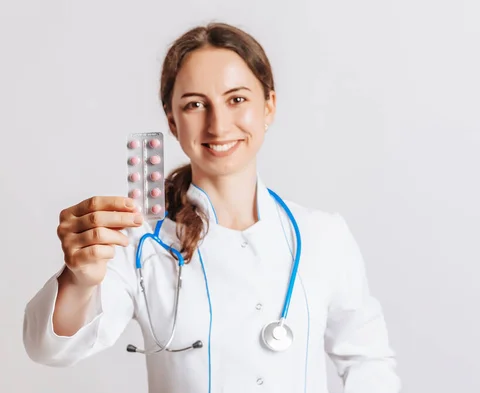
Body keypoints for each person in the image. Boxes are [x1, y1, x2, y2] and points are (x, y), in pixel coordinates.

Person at [22, 22, 401, 393]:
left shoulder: (324, 235)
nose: (218, 125)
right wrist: (79, 279)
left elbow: (368, 362)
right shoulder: (139, 244)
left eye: (237, 99)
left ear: (269, 106)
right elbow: (50, 348)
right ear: (172, 121)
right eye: (195, 105)